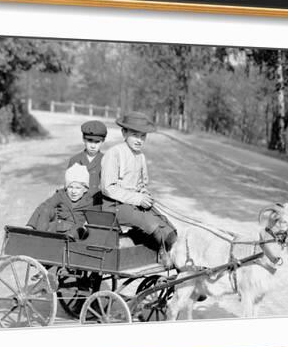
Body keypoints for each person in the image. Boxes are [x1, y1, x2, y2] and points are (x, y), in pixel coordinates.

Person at [100, 111, 177, 264]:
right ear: (124, 132)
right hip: (114, 206)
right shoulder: (114, 153)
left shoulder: (140, 156)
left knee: (169, 229)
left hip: (133, 204)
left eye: (143, 136)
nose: (139, 140)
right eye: (135, 135)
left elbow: (142, 183)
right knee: (155, 228)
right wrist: (138, 198)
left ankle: (141, 241)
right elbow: (108, 188)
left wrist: (144, 193)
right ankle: (156, 251)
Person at [26, 163, 93, 240]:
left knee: (78, 229)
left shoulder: (89, 200)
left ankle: (66, 240)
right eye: (70, 187)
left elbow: (93, 217)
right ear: (66, 187)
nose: (73, 191)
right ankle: (40, 234)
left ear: (85, 189)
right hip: (60, 225)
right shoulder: (61, 194)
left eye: (78, 188)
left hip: (76, 229)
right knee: (46, 209)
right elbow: (45, 205)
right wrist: (32, 225)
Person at [67, 120, 107, 205]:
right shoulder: (75, 160)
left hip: (98, 204)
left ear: (103, 141)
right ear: (83, 139)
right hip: (78, 204)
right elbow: (68, 186)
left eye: (97, 142)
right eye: (90, 141)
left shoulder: (106, 160)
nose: (93, 146)